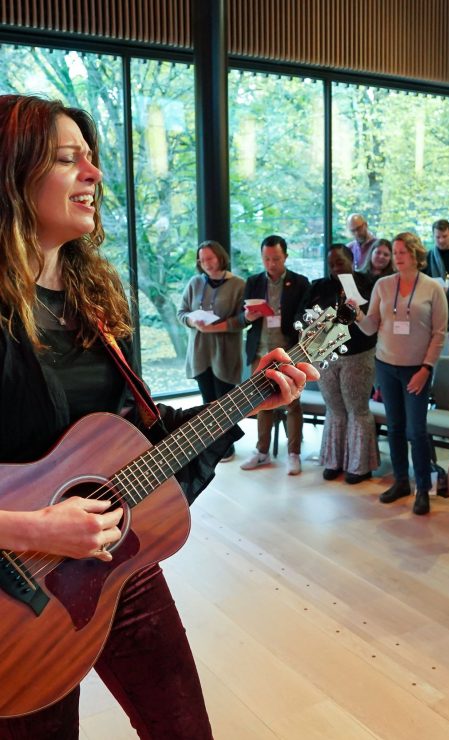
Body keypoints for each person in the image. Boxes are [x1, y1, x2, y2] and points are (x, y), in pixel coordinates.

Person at [0, 94, 316, 738]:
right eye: (68, 160)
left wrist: (249, 396)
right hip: (13, 596)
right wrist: (33, 526)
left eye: (92, 160)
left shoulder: (89, 302)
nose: (93, 175)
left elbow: (131, 437)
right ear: (11, 173)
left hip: (118, 567)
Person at [353, 232, 447, 515]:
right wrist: (355, 313)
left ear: (416, 254)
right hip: (386, 364)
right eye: (394, 252)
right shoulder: (382, 285)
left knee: (416, 431)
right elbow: (370, 327)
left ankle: (422, 490)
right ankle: (400, 482)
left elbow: (440, 334)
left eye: (402, 252)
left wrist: (426, 369)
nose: (396, 256)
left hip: (417, 369)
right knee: (394, 428)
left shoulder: (432, 288)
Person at [306, 244, 379, 483]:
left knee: (357, 410)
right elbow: (303, 317)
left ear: (352, 261)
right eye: (331, 264)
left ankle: (359, 465)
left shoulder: (368, 283)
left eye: (340, 263)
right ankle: (334, 460)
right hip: (327, 355)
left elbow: (373, 320)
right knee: (335, 409)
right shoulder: (319, 286)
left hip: (358, 354)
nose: (336, 268)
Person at [240, 235, 310, 475]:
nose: (271, 264)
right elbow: (243, 317)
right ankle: (262, 452)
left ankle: (294, 453)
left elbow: (305, 318)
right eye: (267, 259)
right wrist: (248, 317)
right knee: (261, 403)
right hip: (261, 352)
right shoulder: (253, 281)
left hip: (289, 352)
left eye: (276, 259)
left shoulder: (300, 283)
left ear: (286, 257)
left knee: (292, 404)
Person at [177, 240, 245, 461]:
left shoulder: (238, 284)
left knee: (225, 402)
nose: (206, 263)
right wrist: (192, 322)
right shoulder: (195, 282)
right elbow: (181, 313)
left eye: (210, 258)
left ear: (220, 257)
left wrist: (220, 326)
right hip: (200, 352)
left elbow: (244, 318)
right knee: (207, 404)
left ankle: (228, 446)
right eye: (202, 259)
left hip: (225, 352)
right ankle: (213, 446)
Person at [425, 219, 449, 284]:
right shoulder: (426, 258)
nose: (441, 240)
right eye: (438, 237)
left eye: (444, 236)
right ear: (433, 237)